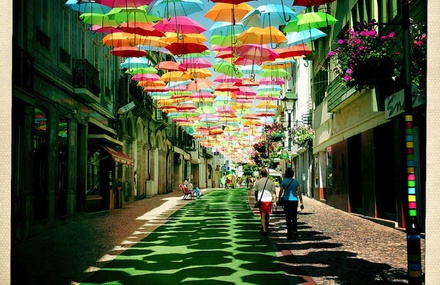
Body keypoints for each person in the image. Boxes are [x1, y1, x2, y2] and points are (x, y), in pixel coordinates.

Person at [278, 167, 304, 240]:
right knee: (294, 217)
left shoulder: (284, 181)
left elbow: (281, 191)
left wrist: (279, 198)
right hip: (294, 201)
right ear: (292, 174)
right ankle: (295, 232)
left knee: (288, 217)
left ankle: (289, 233)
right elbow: (299, 192)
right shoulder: (296, 182)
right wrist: (301, 202)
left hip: (286, 201)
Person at [252, 168, 276, 236]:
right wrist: (275, 201)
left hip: (261, 200)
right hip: (269, 200)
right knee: (267, 215)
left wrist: (256, 199)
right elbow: (274, 192)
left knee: (262, 215)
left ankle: (264, 229)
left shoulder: (258, 182)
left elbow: (256, 192)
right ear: (267, 174)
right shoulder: (271, 181)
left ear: (260, 174)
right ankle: (267, 226)